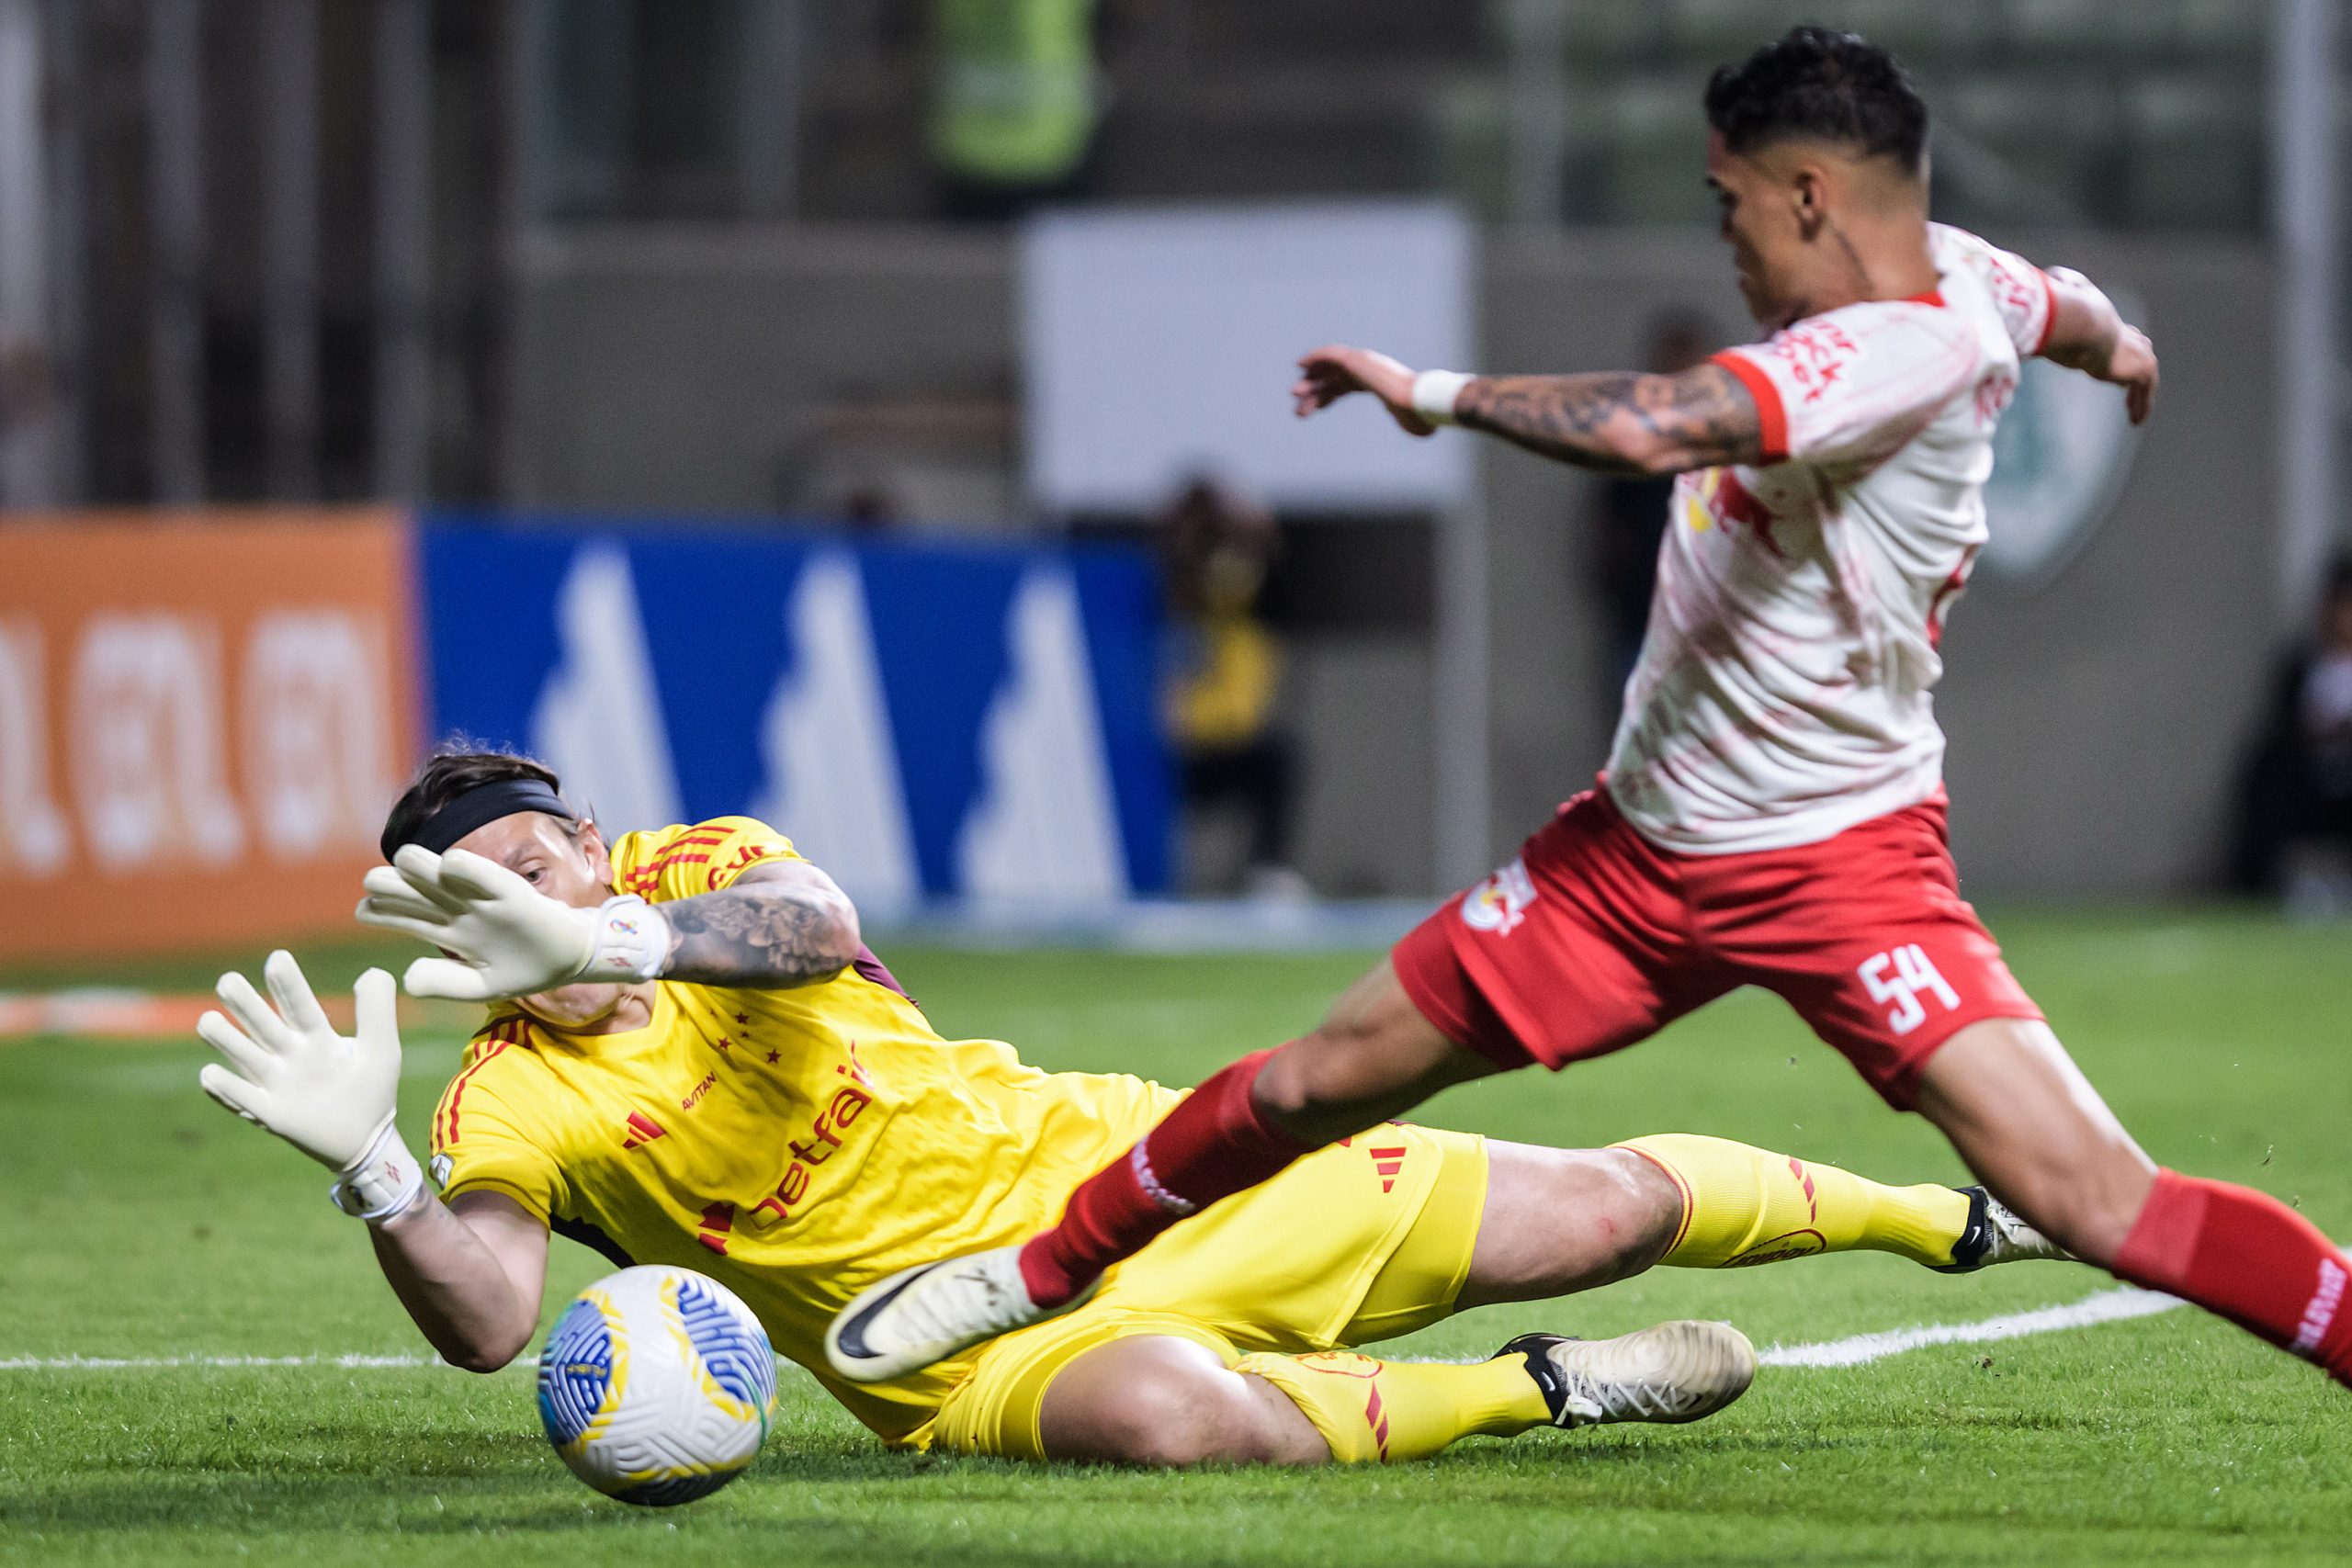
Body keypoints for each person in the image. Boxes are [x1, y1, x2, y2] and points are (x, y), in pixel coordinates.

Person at [826, 28, 2352, 1404]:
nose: (1728, 236)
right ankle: (1032, 1270)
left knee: (2096, 1200)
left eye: (1730, 202)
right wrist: (2124, 350)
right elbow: (2073, 307)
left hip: (1839, 868)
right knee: (1308, 1082)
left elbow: (1646, 426)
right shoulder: (1976, 275)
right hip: (1627, 859)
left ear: (1812, 194)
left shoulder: (1897, 350)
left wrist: (1429, 389)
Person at [195, 748, 2065, 1468]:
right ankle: (1548, 1389)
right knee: (1175, 1420)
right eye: (492, 888)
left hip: (1115, 1176)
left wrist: (627, 922)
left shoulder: (700, 866)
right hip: (939, 1356)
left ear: (593, 849)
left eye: (549, 851)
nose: (541, 889)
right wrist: (372, 1168)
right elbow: (494, 1316)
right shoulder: (507, 1094)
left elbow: (809, 929)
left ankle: (1955, 1213)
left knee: (1598, 1205)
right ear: (460, 940)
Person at [1160, 477, 1303, 897]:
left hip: (1238, 735)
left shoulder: (1252, 599)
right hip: (1182, 738)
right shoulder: (1172, 597)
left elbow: (1269, 582)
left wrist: (1253, 530)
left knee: (1279, 764)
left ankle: (1268, 869)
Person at [1592, 313, 1714, 705]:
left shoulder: (1724, 443)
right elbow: (1609, 532)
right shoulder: (1637, 440)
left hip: (1711, 621)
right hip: (1643, 618)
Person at [2230, 557, 2352, 905]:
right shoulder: (2301, 667)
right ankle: (2255, 893)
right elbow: (2282, 727)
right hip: (2311, 781)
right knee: (2267, 786)